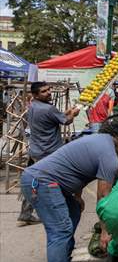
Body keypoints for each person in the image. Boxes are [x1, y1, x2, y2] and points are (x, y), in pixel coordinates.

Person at [20, 122, 118, 262]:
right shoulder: (109, 157)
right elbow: (103, 197)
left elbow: (78, 166)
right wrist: (105, 231)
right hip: (42, 182)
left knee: (73, 211)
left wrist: (78, 196)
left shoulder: (101, 139)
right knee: (60, 229)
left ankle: (63, 260)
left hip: (48, 181)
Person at [18, 81, 80, 226]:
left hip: (36, 150)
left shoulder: (32, 106)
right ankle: (62, 212)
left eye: (49, 90)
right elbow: (66, 121)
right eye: (44, 91)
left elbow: (54, 117)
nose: (49, 93)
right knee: (60, 180)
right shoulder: (48, 108)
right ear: (35, 95)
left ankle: (25, 213)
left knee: (34, 181)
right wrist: (74, 114)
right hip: (49, 152)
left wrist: (67, 112)